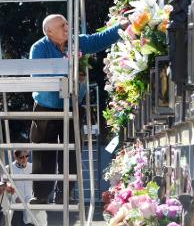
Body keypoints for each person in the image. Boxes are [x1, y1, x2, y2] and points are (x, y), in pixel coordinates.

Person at [30, 14, 129, 204]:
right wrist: (72, 74)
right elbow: (40, 75)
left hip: (73, 104)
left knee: (73, 151)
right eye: (61, 25)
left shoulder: (76, 42)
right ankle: (41, 195)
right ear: (49, 32)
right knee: (44, 152)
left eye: (67, 23)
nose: (67, 27)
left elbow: (97, 40)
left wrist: (121, 26)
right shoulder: (39, 48)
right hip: (46, 106)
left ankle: (65, 194)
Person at [6, 150, 45, 226]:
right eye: (21, 157)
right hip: (15, 204)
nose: (25, 159)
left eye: (27, 156)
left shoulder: (32, 167)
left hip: (29, 203)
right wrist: (15, 198)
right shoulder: (9, 168)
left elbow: (37, 185)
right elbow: (6, 187)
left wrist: (35, 198)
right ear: (16, 157)